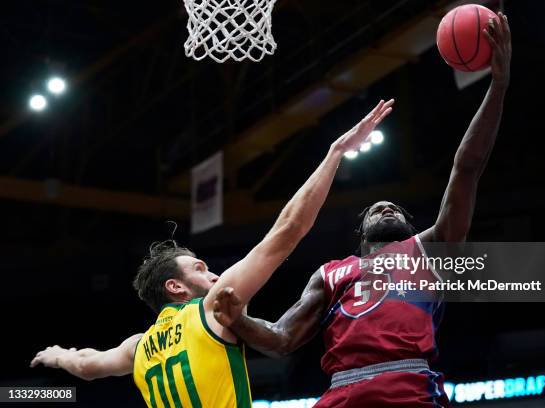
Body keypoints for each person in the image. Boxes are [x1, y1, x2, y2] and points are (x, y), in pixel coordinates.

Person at [212, 13, 512, 408]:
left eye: (395, 209)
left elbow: (467, 166)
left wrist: (498, 85)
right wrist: (238, 319)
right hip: (341, 394)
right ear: (361, 233)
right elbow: (283, 338)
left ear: (409, 226)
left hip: (409, 389)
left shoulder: (430, 250)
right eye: (376, 208)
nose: (387, 207)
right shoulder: (331, 273)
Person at [30, 99, 395, 408]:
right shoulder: (212, 309)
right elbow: (288, 230)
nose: (215, 275)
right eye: (200, 268)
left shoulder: (137, 348)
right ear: (175, 287)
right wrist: (335, 153)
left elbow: (85, 364)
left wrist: (56, 354)